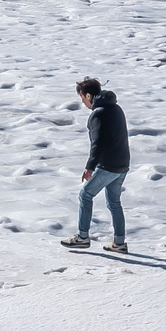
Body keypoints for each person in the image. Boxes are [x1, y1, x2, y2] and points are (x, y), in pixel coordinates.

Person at [60, 78, 129, 253]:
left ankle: (82, 237)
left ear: (88, 95)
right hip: (122, 163)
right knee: (114, 202)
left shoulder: (98, 113)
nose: (83, 102)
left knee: (85, 194)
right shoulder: (116, 108)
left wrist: (90, 166)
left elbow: (97, 143)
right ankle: (119, 243)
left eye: (82, 98)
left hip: (108, 165)